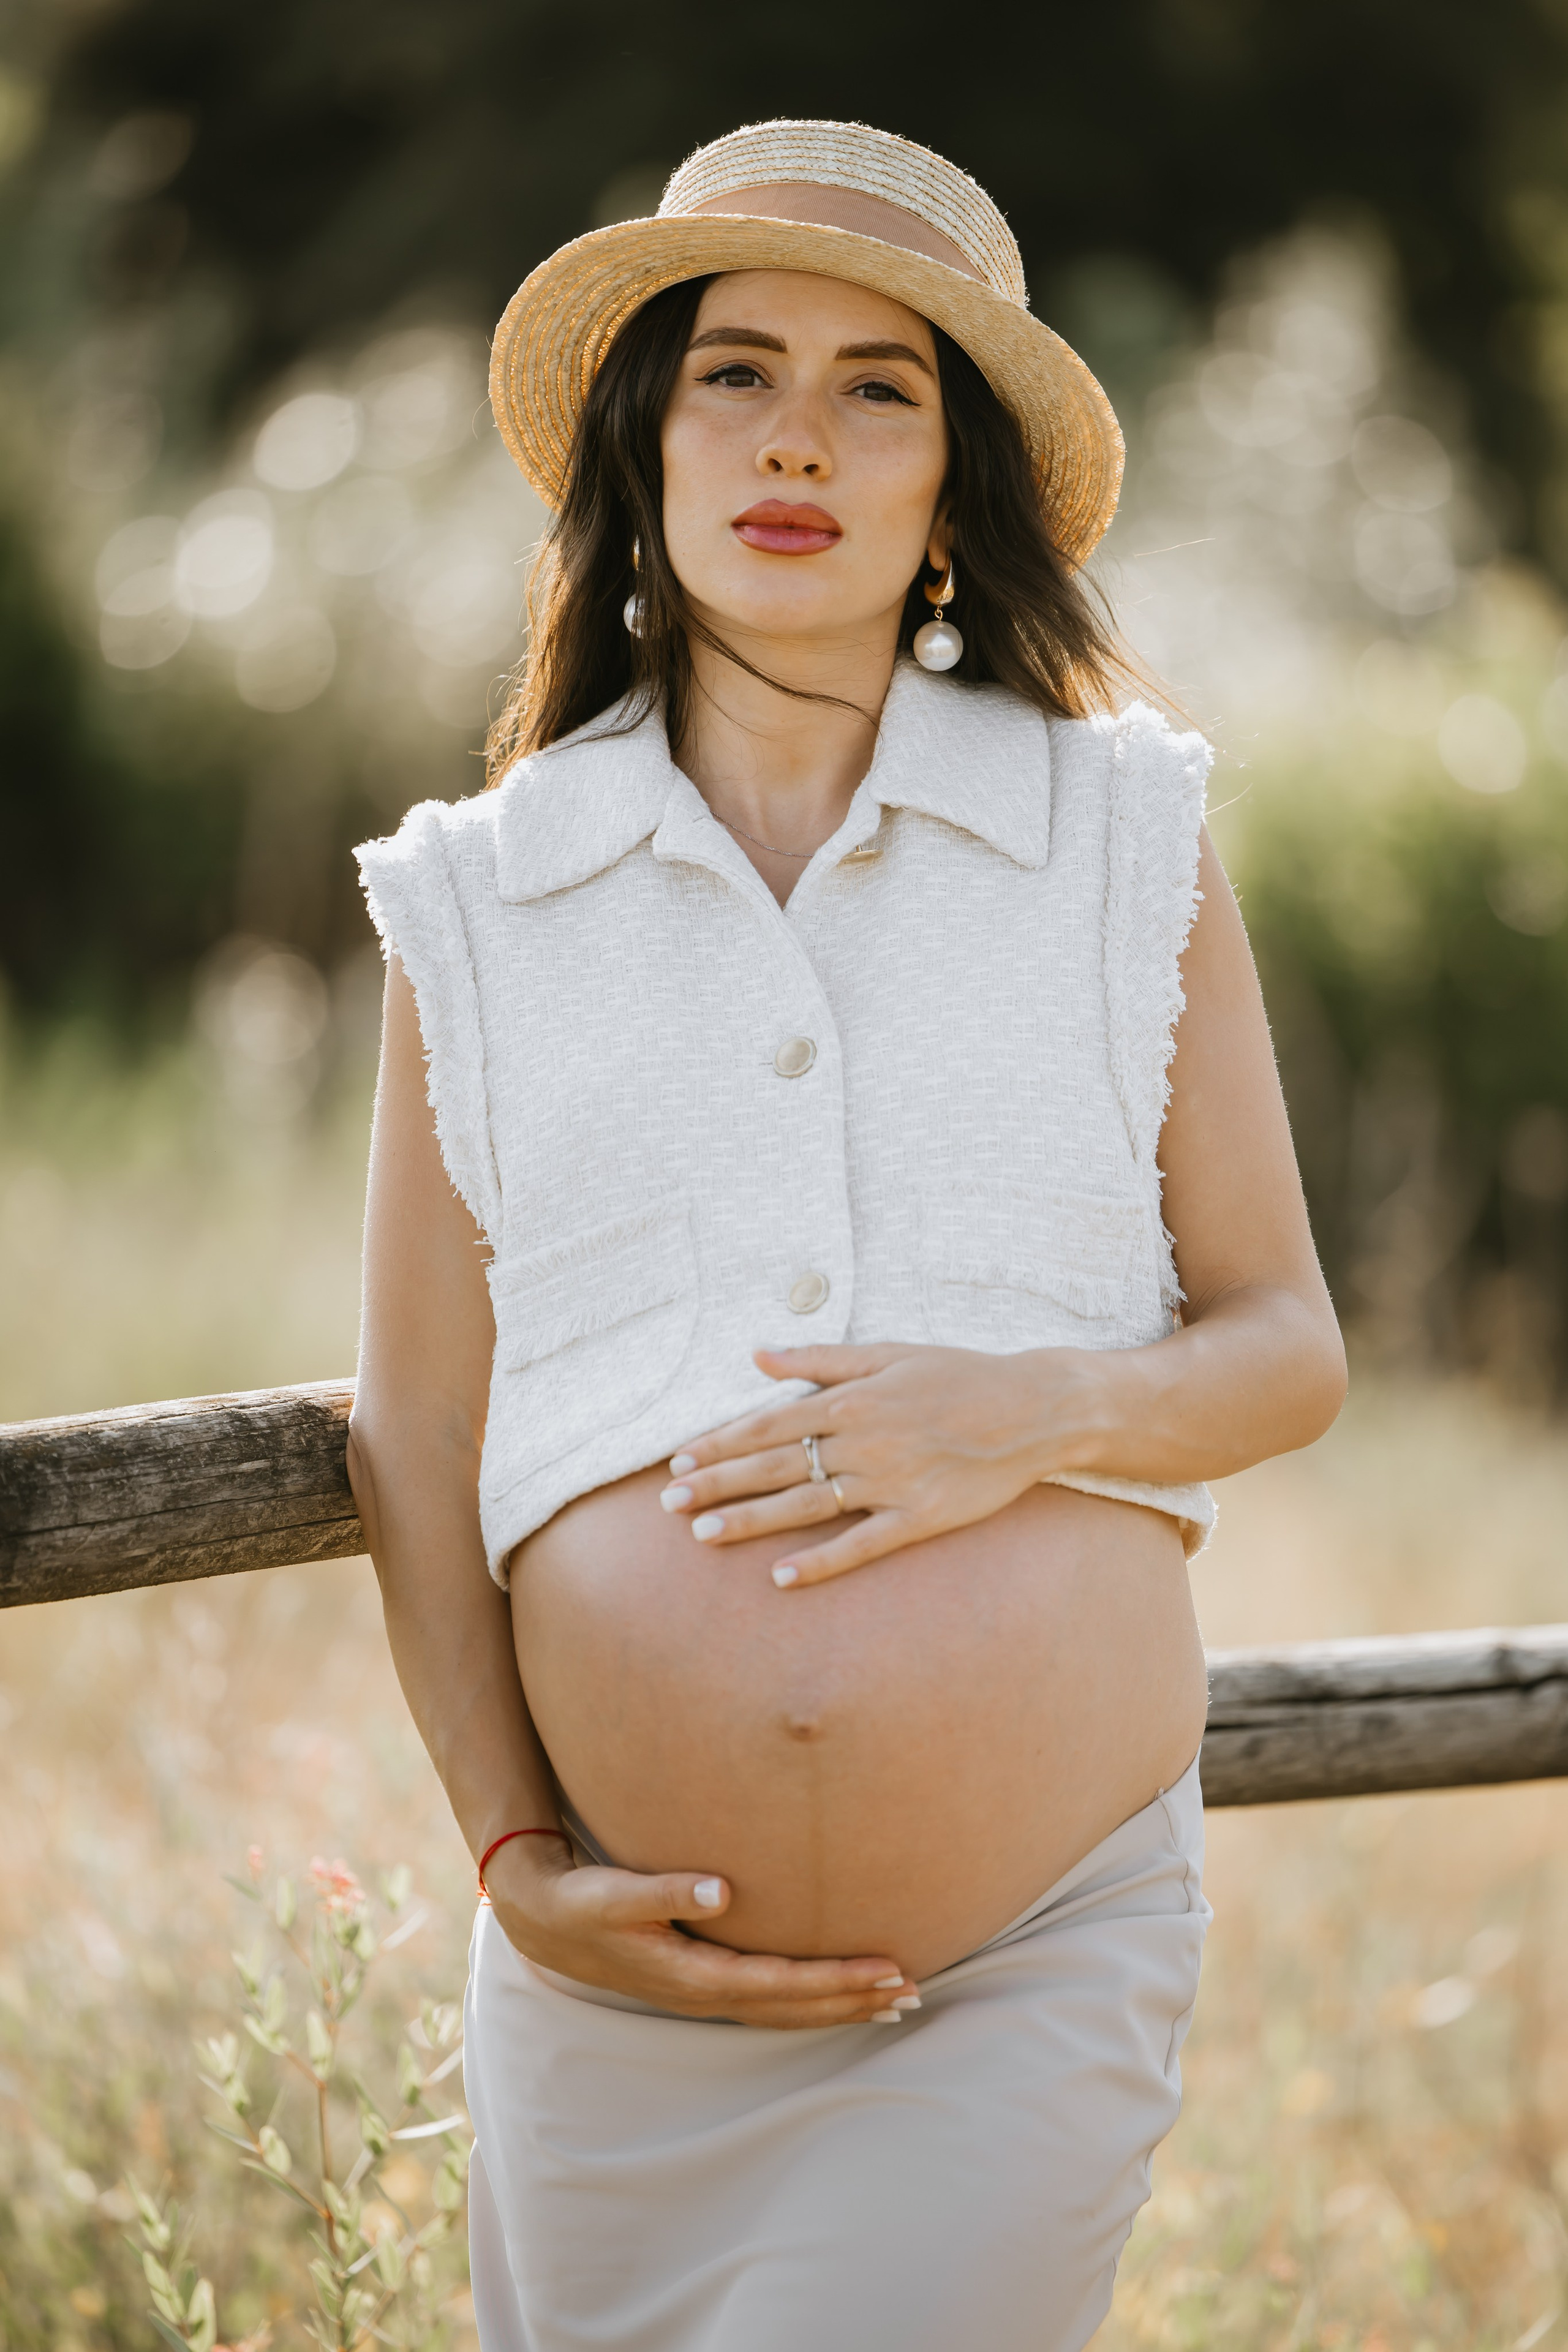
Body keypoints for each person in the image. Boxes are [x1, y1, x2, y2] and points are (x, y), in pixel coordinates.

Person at [348, 118, 1346, 2352]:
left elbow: (1287, 1344)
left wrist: (1035, 1416)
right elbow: (418, 1428)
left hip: (1020, 1961)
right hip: (616, 2014)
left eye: (879, 386)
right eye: (734, 371)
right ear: (644, 438)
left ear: (949, 481)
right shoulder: (480, 903)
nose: (799, 435)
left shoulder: (1123, 835)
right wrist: (520, 1869)